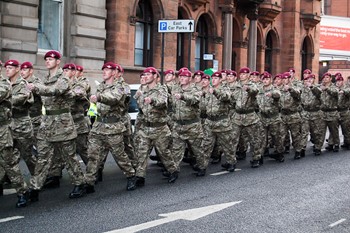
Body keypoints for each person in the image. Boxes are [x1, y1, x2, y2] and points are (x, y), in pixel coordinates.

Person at [26, 50, 87, 201]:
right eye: (46, 59)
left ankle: (79, 183)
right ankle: (34, 188)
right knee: (43, 158)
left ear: (58, 61)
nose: (47, 61)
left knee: (69, 157)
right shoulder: (44, 78)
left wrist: (35, 88)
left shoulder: (64, 78)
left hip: (63, 122)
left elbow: (55, 91)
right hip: (47, 123)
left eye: (51, 59)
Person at [84, 62, 137, 193]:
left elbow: (114, 98)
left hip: (113, 126)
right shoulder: (101, 86)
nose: (104, 72)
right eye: (103, 70)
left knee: (119, 155)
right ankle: (89, 182)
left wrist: (99, 97)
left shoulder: (120, 87)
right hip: (98, 125)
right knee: (93, 154)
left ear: (114, 73)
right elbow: (96, 106)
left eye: (107, 70)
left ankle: (131, 175)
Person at [134, 67, 179, 185]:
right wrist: (140, 95)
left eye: (149, 74)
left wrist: (152, 100)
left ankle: (173, 171)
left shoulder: (162, 89)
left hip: (160, 128)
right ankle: (140, 177)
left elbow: (163, 102)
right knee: (141, 153)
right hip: (145, 128)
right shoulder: (143, 89)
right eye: (145, 74)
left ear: (155, 76)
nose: (146, 76)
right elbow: (140, 107)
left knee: (164, 153)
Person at [1, 59, 29, 207]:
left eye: (11, 68)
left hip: (3, 131)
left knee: (9, 163)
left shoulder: (4, 85)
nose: (8, 70)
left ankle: (22, 192)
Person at [170, 69, 205, 176]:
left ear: (190, 79)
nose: (182, 78)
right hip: (178, 125)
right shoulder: (175, 88)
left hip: (192, 125)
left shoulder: (196, 89)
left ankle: (201, 167)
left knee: (197, 149)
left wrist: (182, 96)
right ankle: (174, 171)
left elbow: (195, 99)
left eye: (184, 77)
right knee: (176, 150)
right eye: (180, 76)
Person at [201, 71, 237, 171]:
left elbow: (226, 97)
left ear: (221, 80)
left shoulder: (225, 89)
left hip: (222, 122)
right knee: (206, 145)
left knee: (227, 144)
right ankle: (202, 166)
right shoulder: (209, 91)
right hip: (210, 122)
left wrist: (215, 92)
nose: (214, 80)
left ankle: (231, 162)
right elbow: (204, 106)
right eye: (212, 79)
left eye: (216, 78)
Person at [230, 67, 263, 168]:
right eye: (241, 74)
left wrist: (248, 89)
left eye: (244, 74)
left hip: (249, 116)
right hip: (237, 115)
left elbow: (255, 91)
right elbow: (231, 98)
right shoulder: (235, 85)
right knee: (233, 139)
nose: (242, 76)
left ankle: (256, 158)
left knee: (254, 139)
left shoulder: (252, 85)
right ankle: (231, 161)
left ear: (248, 75)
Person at [7, 60, 36, 175]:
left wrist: (5, 99)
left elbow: (23, 99)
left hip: (22, 124)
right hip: (9, 124)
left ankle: (37, 178)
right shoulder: (5, 83)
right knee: (7, 155)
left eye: (10, 67)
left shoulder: (23, 84)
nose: (7, 70)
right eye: (6, 67)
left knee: (28, 156)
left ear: (17, 69)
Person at [257, 72, 284, 162]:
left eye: (267, 79)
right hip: (263, 117)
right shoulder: (259, 89)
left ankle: (279, 153)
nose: (265, 81)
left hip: (273, 117)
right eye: (264, 79)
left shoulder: (274, 88)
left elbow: (278, 94)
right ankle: (259, 156)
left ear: (270, 80)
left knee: (276, 137)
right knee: (261, 137)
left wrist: (272, 94)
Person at [20, 62, 43, 157]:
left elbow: (41, 90)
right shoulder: (19, 82)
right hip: (22, 120)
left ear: (31, 71)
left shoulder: (36, 82)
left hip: (35, 119)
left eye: (24, 70)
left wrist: (33, 88)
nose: (22, 72)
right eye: (21, 69)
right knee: (24, 148)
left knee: (40, 147)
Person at [279, 71, 303, 159]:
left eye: (286, 78)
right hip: (283, 115)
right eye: (283, 78)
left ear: (289, 79)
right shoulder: (279, 89)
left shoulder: (295, 87)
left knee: (295, 135)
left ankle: (298, 151)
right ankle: (280, 153)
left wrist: (289, 89)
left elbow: (297, 94)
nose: (285, 80)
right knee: (281, 135)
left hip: (293, 115)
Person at [300, 74, 324, 156]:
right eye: (307, 79)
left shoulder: (317, 87)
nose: (309, 80)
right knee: (304, 132)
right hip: (306, 112)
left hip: (315, 113)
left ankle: (317, 147)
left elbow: (318, 93)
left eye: (311, 79)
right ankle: (302, 149)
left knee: (316, 132)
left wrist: (311, 87)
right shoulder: (302, 89)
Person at [320, 72, 340, 152]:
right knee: (321, 131)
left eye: (327, 77)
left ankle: (336, 144)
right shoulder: (321, 87)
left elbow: (335, 93)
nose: (325, 79)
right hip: (323, 112)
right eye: (324, 77)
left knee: (334, 130)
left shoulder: (334, 87)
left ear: (331, 79)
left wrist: (327, 89)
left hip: (332, 112)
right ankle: (318, 146)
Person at [335, 74, 350, 150]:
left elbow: (348, 91)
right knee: (334, 129)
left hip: (344, 111)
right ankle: (334, 143)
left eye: (340, 81)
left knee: (346, 128)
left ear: (342, 81)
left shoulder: (346, 88)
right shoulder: (334, 89)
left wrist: (343, 91)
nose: (338, 82)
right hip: (336, 111)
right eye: (337, 81)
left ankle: (348, 142)